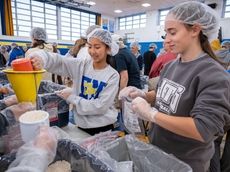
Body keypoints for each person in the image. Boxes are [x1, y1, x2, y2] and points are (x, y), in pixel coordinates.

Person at [119, 2, 230, 172]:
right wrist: (143, 95)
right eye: (166, 33)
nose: (167, 39)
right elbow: (165, 94)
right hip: (158, 151)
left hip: (186, 163)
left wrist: (151, 114)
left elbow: (203, 129)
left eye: (173, 32)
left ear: (195, 30)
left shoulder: (213, 75)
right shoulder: (171, 66)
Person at [29, 29, 120, 135]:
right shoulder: (82, 65)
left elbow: (100, 106)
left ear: (107, 48)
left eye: (97, 47)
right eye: (90, 46)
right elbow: (61, 61)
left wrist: (71, 97)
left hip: (102, 127)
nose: (92, 51)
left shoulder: (112, 75)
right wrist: (42, 58)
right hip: (81, 125)